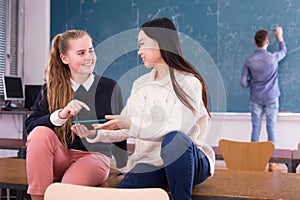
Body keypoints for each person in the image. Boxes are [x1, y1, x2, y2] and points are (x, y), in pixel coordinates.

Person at [73, 18, 215, 200]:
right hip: (151, 162)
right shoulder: (140, 83)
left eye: (142, 45)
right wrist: (94, 133)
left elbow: (178, 129)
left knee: (174, 139)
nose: (139, 51)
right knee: (121, 195)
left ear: (161, 43)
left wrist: (131, 124)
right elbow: (125, 126)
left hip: (188, 161)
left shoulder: (188, 82)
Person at [25, 30, 128, 200]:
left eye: (91, 50)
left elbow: (119, 129)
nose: (89, 57)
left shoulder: (110, 87)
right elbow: (31, 126)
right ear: (65, 58)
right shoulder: (50, 89)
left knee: (65, 192)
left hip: (94, 158)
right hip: (61, 156)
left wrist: (123, 166)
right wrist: (61, 114)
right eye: (81, 53)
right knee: (40, 133)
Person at [241, 27, 287, 171]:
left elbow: (243, 83)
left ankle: (255, 163)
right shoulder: (273, 58)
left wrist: (252, 84)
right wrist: (280, 37)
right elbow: (284, 52)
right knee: (271, 128)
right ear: (267, 42)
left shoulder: (249, 61)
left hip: (256, 97)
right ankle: (272, 163)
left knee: (255, 128)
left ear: (255, 42)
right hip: (272, 97)